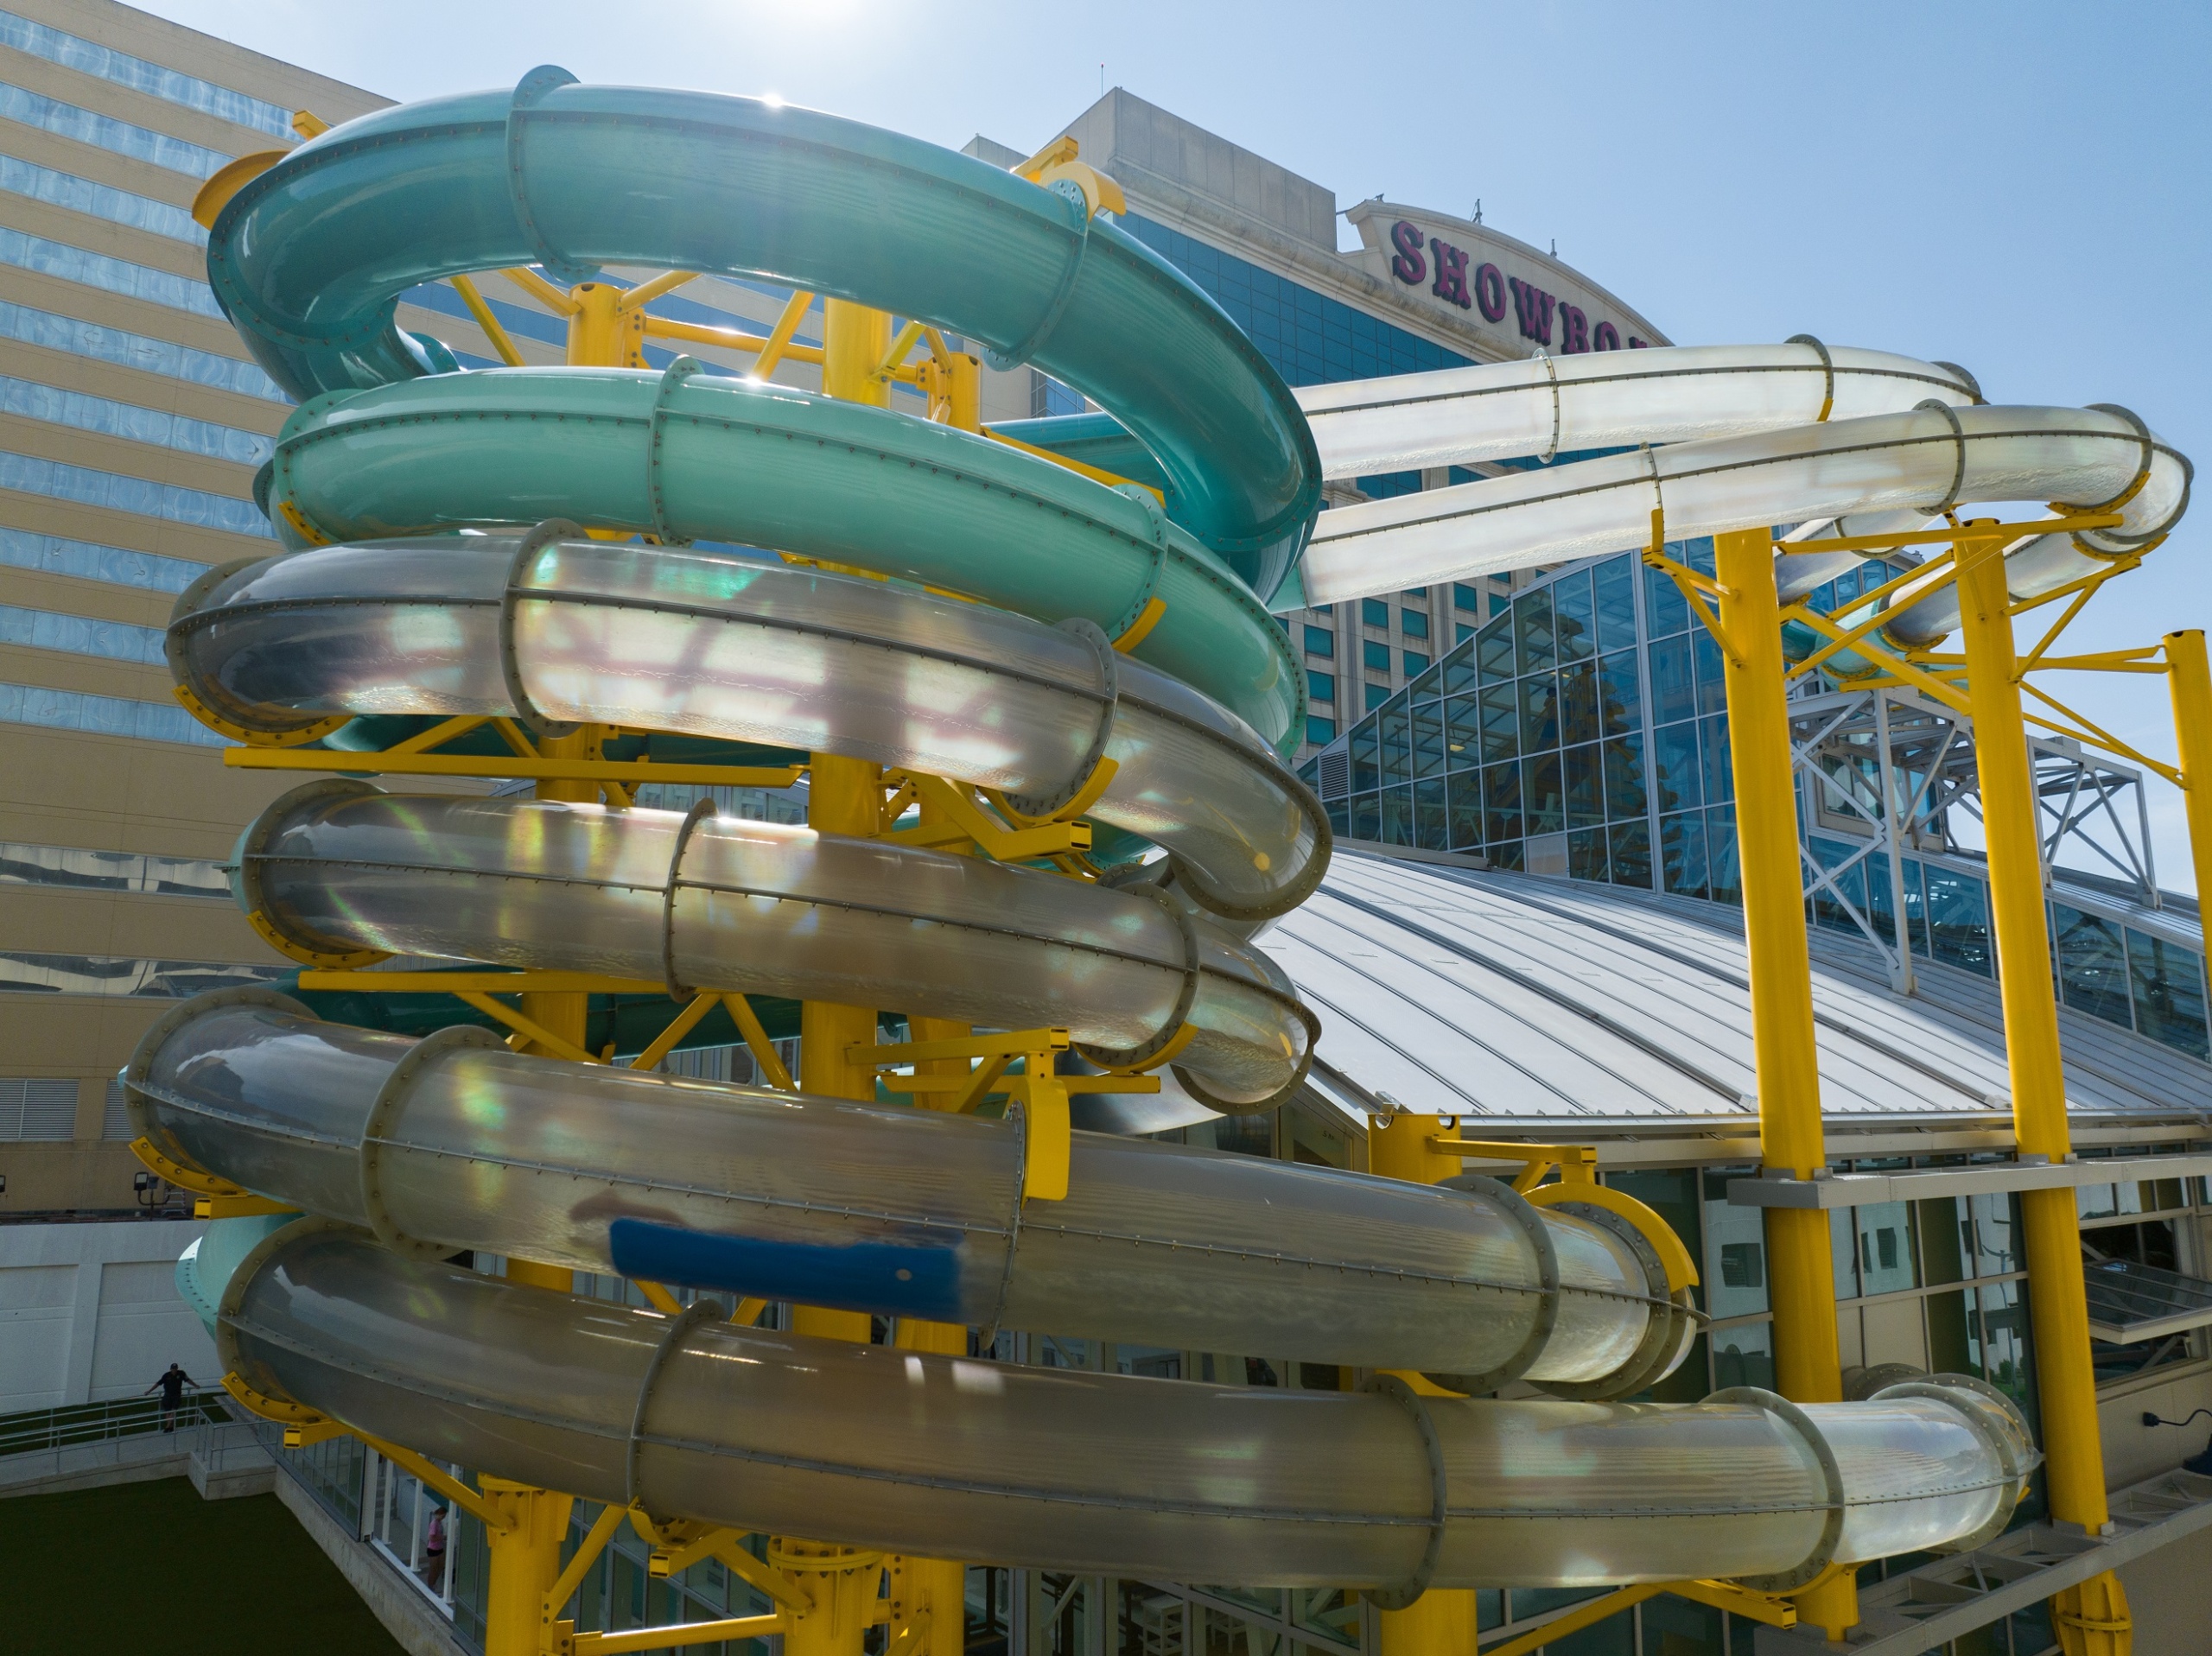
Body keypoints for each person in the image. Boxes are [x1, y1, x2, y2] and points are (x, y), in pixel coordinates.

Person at [143, 1362, 194, 1431]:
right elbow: (158, 1383)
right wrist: (149, 1391)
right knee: (167, 1412)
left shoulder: (181, 1373)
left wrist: (195, 1385)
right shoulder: (166, 1375)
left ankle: (167, 1427)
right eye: (173, 1369)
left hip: (176, 1395)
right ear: (170, 1369)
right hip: (167, 1395)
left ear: (177, 1368)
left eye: (175, 1369)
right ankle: (171, 1427)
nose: (174, 1370)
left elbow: (188, 1380)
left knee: (173, 1411)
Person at [420, 1504, 448, 1592]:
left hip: (440, 1547)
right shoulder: (434, 1524)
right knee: (433, 1569)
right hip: (433, 1549)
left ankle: (433, 1583)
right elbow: (431, 1537)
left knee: (440, 1567)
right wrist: (442, 1537)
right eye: (443, 1515)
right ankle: (430, 1586)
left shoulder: (440, 1523)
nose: (444, 1517)